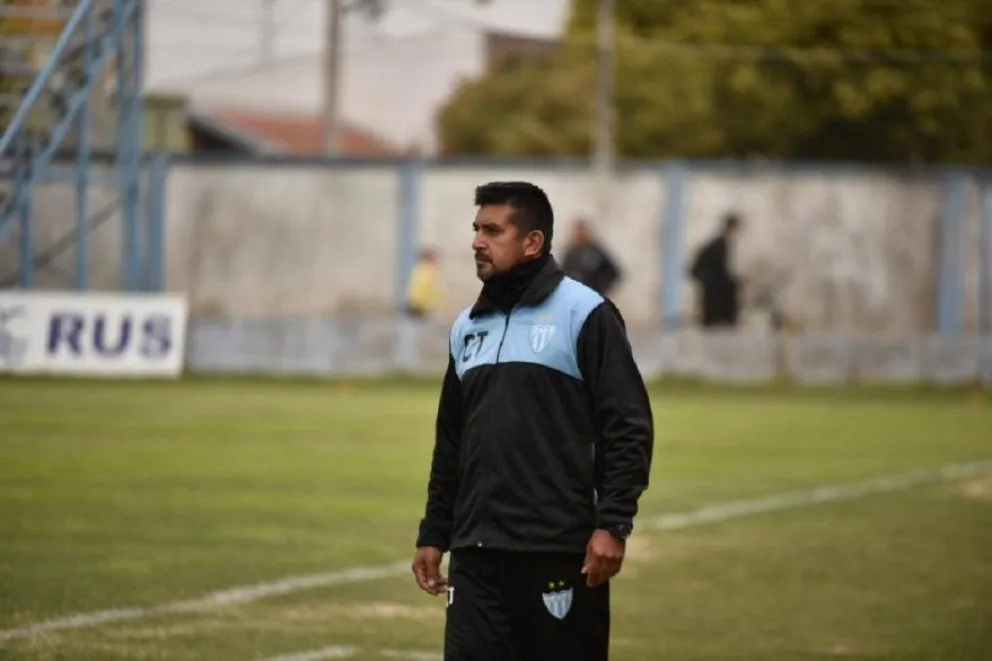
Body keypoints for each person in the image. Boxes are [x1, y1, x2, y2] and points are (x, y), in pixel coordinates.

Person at [411, 181, 655, 661]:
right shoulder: (467, 326)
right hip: (476, 552)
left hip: (557, 551)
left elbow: (628, 425)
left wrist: (613, 523)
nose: (477, 242)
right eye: (477, 229)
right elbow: (452, 441)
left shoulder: (585, 313)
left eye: (493, 231)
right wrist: (435, 531)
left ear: (532, 242)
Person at [688, 212, 744, 328]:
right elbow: (718, 267)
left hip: (711, 279)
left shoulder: (721, 243)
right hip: (711, 280)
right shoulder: (719, 244)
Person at [560, 218, 622, 298]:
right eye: (577, 232)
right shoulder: (571, 253)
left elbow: (613, 272)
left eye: (582, 231)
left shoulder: (596, 251)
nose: (580, 235)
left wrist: (602, 286)